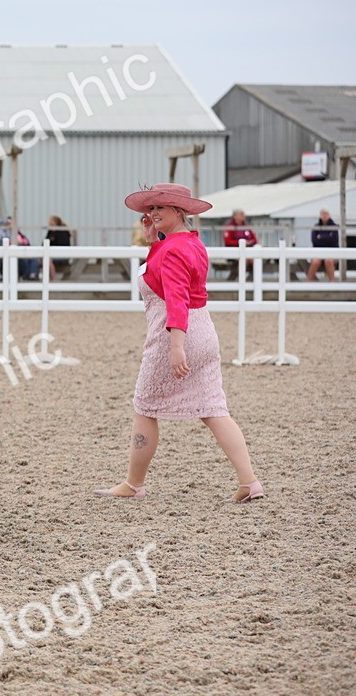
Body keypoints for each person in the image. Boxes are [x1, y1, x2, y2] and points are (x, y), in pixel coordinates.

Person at [95, 183, 263, 503]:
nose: (153, 213)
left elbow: (176, 299)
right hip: (203, 331)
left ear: (178, 211)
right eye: (151, 208)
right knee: (214, 409)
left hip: (174, 333)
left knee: (145, 407)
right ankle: (249, 481)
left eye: (160, 208)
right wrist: (152, 237)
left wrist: (175, 347)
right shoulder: (191, 243)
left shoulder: (171, 250)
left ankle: (133, 484)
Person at [223, 209, 259, 279]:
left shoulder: (246, 226)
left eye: (243, 214)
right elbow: (228, 241)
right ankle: (239, 279)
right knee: (245, 259)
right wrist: (239, 243)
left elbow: (255, 239)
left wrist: (250, 242)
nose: (243, 216)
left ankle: (252, 279)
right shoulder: (230, 227)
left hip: (248, 251)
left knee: (255, 259)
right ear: (235, 216)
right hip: (234, 252)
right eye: (241, 214)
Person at [307, 208, 338, 282]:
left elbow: (334, 241)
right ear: (320, 215)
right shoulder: (316, 226)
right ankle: (308, 282)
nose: (324, 216)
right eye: (322, 214)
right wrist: (328, 237)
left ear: (329, 215)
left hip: (331, 252)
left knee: (328, 261)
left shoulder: (334, 226)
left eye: (326, 214)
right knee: (315, 262)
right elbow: (314, 241)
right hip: (318, 252)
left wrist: (321, 237)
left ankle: (332, 283)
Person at [45, 215, 72, 280]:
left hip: (61, 255)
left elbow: (62, 246)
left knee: (48, 260)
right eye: (49, 224)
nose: (50, 226)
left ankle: (53, 279)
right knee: (43, 258)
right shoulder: (50, 232)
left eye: (52, 224)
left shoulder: (62, 232)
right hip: (51, 254)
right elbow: (44, 243)